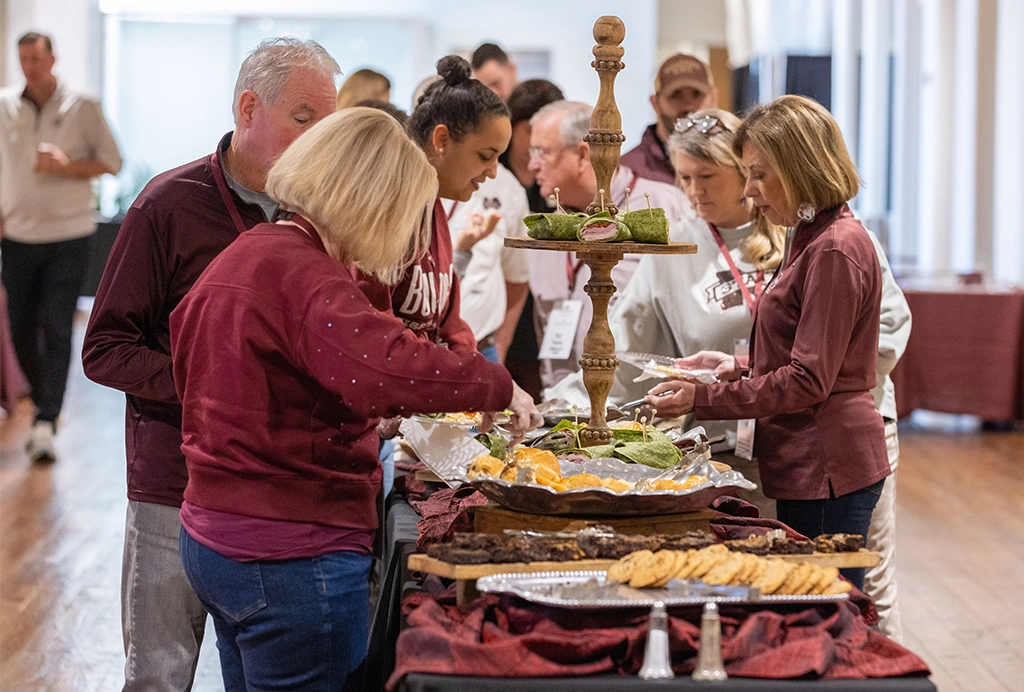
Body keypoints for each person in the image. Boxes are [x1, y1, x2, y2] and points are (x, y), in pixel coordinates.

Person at [171, 107, 538, 691]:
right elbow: (387, 362)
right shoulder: (304, 272)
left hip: (217, 534)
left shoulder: (252, 251)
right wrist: (497, 383)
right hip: (288, 545)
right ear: (372, 199)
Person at [81, 37, 340, 692]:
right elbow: (106, 348)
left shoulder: (320, 217)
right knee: (159, 677)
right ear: (249, 107)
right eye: (304, 117)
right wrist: (215, 389)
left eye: (326, 124)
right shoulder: (165, 206)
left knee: (258, 677)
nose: (318, 139)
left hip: (277, 490)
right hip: (175, 486)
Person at [647, 95, 890, 591]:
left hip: (829, 466)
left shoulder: (835, 248)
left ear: (800, 166)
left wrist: (703, 397)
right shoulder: (811, 234)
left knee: (827, 607)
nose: (751, 193)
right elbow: (807, 351)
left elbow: (810, 378)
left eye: (759, 175)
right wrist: (738, 365)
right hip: (810, 461)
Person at [0, 31, 122, 463]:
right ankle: (41, 404)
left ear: (53, 58)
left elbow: (113, 162)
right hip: (17, 236)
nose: (30, 66)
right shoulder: (5, 105)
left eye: (37, 57)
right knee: (19, 328)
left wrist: (68, 167)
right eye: (23, 59)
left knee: (55, 324)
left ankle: (47, 418)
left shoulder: (82, 105)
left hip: (68, 236)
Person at [526, 100, 690, 389]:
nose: (531, 165)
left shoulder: (660, 207)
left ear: (582, 154)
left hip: (640, 408)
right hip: (563, 406)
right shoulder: (548, 229)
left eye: (542, 152)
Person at [443, 164, 531, 364]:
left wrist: (500, 348)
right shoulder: (410, 176)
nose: (492, 171)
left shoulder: (507, 186)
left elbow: (517, 278)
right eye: (484, 155)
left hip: (481, 349)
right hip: (418, 349)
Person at [620, 53, 717, 187]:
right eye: (675, 96)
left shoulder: (733, 164)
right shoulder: (627, 171)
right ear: (655, 103)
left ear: (714, 98)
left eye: (697, 94)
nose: (688, 106)